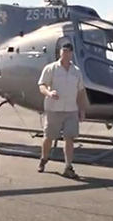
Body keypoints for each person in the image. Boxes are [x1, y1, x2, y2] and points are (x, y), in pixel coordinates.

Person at [37, 42, 87, 179]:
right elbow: (42, 85)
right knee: (49, 137)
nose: (66, 54)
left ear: (72, 53)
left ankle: (68, 166)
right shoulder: (51, 68)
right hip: (54, 109)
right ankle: (43, 158)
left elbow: (81, 92)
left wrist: (82, 109)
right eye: (63, 51)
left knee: (69, 138)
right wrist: (48, 93)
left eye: (68, 51)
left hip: (71, 109)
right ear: (60, 53)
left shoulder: (76, 71)